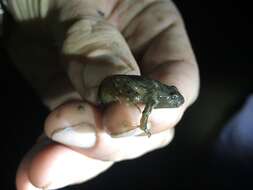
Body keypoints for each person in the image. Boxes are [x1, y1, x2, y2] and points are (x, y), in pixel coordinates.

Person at [1, 0, 200, 189]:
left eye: (174, 96)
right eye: (174, 98)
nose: (175, 100)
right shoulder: (155, 97)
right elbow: (145, 115)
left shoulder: (156, 92)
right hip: (116, 84)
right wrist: (143, 126)